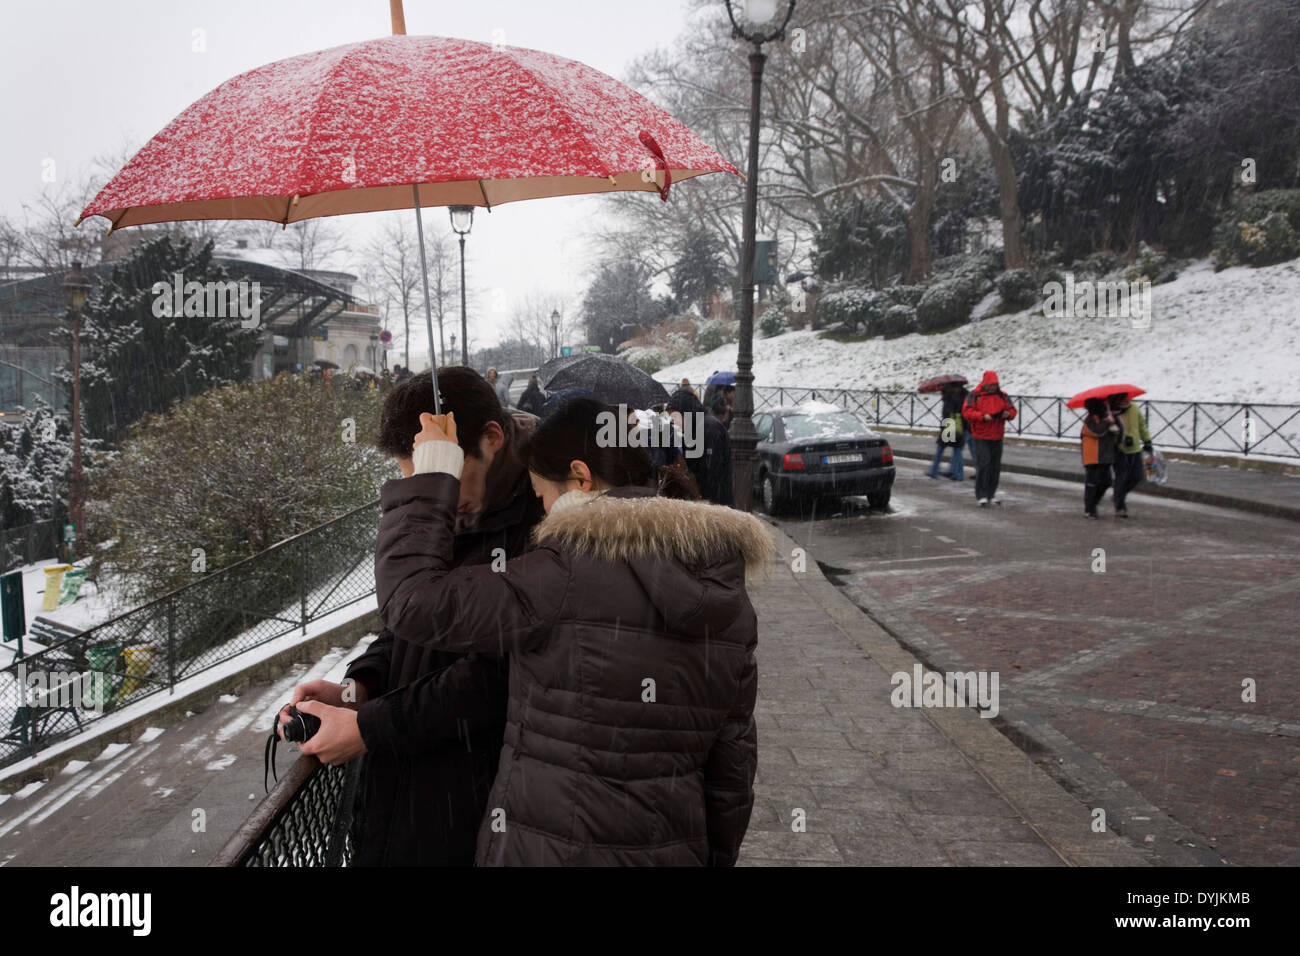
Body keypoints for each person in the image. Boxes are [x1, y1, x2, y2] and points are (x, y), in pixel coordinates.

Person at [372, 396, 766, 865]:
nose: (544, 512)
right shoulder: (724, 585)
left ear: (581, 477)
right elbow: (732, 767)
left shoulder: (563, 574)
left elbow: (413, 604)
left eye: (542, 495)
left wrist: (431, 476)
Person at [280, 366, 544, 866]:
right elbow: (408, 626)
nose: (437, 494)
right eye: (418, 481)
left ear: (491, 439)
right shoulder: (465, 505)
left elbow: (497, 676)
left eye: (443, 474)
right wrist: (358, 688)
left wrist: (373, 728)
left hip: (474, 809)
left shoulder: (542, 520)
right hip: (408, 794)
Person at [667, 385, 734, 506]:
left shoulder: (710, 428)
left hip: (715, 505)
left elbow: (712, 473)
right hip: (702, 505)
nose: (672, 420)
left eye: (675, 415)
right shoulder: (690, 429)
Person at [962, 370, 1017, 506]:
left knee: (995, 467)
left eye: (995, 384)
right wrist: (982, 417)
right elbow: (967, 412)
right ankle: (981, 495)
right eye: (990, 384)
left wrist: (1007, 414)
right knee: (984, 465)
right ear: (985, 383)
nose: (992, 387)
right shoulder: (974, 395)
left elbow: (1013, 410)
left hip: (997, 435)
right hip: (980, 435)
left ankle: (991, 494)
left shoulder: (1003, 396)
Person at [1109, 392, 1152, 517]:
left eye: (1128, 399)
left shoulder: (1134, 408)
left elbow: (1142, 425)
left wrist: (1147, 440)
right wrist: (1118, 437)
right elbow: (1109, 430)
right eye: (1123, 400)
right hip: (1119, 450)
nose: (1126, 401)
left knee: (1137, 477)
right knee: (1121, 478)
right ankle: (1120, 507)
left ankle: (1118, 495)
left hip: (1135, 449)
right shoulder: (1112, 412)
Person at [1080, 397, 1123, 518]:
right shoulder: (1089, 420)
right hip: (1093, 456)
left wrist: (1115, 429)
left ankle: (1093, 503)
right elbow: (1097, 431)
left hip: (1105, 455)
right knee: (1092, 483)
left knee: (1106, 482)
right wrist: (1108, 422)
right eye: (1101, 405)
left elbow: (1113, 434)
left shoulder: (1105, 418)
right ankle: (1089, 508)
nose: (1104, 407)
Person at [926, 382, 968, 481]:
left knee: (941, 449)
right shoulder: (965, 395)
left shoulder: (951, 396)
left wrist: (946, 396)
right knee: (957, 451)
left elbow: (948, 412)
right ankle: (958, 473)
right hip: (958, 425)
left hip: (950, 424)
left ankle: (934, 471)